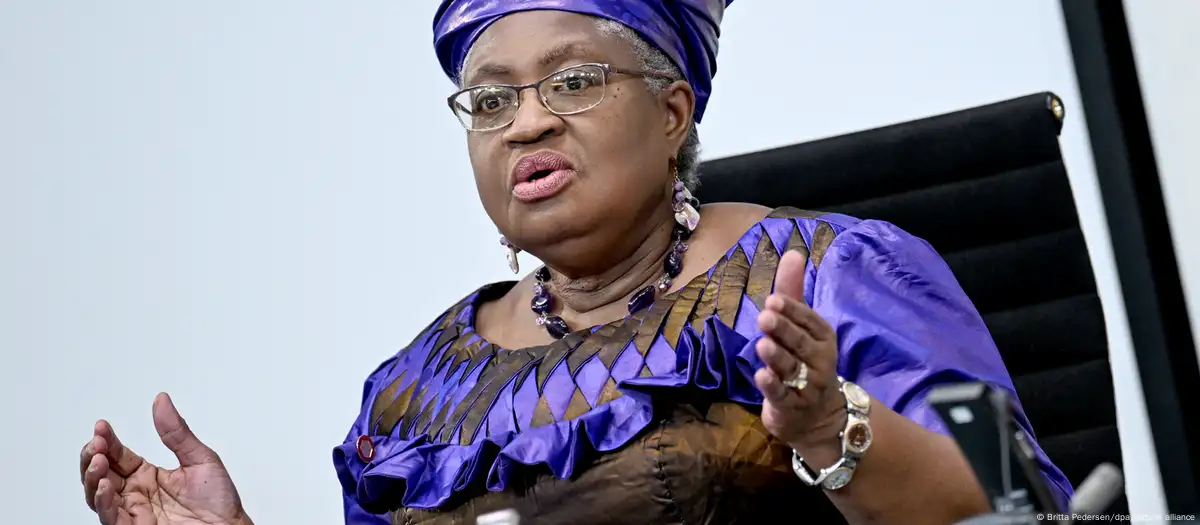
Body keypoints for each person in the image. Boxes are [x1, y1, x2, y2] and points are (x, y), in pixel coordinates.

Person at [78, 1, 1075, 524]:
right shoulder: (410, 400)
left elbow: (1021, 502)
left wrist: (829, 429)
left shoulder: (843, 269)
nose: (530, 121)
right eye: (492, 100)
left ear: (674, 107)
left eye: (576, 78)